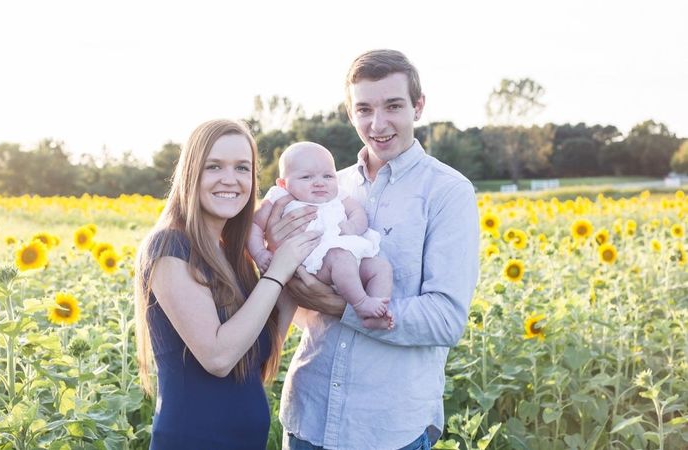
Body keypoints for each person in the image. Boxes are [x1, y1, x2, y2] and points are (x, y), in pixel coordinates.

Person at [270, 50, 480, 449]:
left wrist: (342, 305)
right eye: (364, 108)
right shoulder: (324, 186)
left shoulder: (448, 192)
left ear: (418, 107)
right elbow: (299, 299)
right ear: (350, 112)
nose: (377, 124)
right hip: (307, 417)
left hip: (388, 429)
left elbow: (446, 320)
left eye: (393, 106)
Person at [133, 119, 320, 449]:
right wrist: (278, 271)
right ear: (191, 173)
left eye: (242, 168)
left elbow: (259, 355)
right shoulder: (169, 247)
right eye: (214, 166)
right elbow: (218, 358)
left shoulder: (232, 254)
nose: (230, 180)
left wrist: (288, 264)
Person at [248, 141, 394, 330]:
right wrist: (260, 253)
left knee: (380, 267)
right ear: (284, 183)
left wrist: (352, 226)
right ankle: (361, 304)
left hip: (348, 252)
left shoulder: (337, 194)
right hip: (316, 261)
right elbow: (254, 226)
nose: (319, 182)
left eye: (328, 176)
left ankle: (377, 309)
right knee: (340, 258)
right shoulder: (279, 196)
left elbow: (358, 213)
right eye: (306, 177)